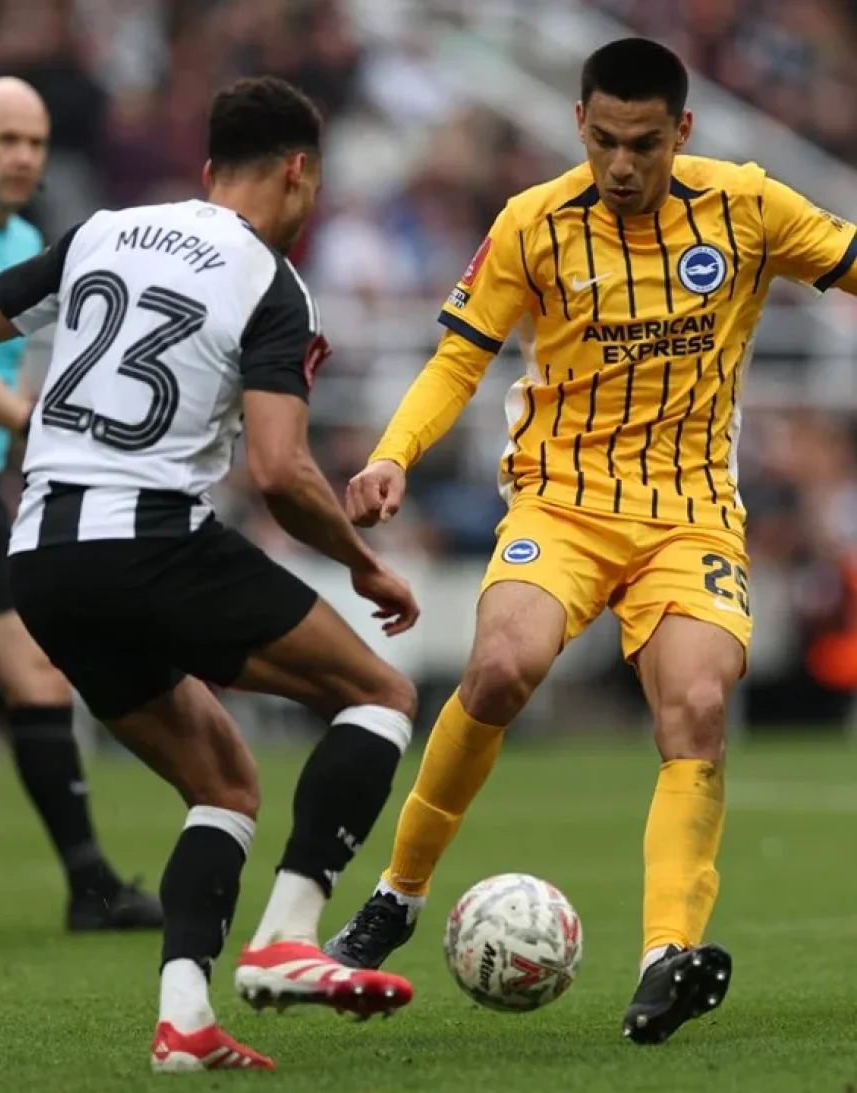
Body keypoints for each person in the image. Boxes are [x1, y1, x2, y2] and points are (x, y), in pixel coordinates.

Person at [324, 36, 857, 1045]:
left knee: (696, 705)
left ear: (681, 132)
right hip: (561, 504)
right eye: (605, 140)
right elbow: (456, 359)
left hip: (691, 510)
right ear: (578, 124)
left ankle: (665, 958)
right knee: (496, 670)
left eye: (645, 144)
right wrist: (393, 453)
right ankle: (397, 894)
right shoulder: (533, 222)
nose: (622, 164)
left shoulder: (745, 205)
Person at [0, 75, 421, 1073]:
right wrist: (365, 565)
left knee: (224, 780)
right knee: (378, 693)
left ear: (209, 170)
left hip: (39, 557)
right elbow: (280, 471)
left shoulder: (100, 231)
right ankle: (290, 937)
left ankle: (184, 1022)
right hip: (150, 543)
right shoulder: (271, 282)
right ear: (299, 173)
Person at [0, 76, 161, 931]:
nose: (22, 157)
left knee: (37, 681)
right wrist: (32, 419)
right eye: (6, 139)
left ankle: (88, 887)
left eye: (35, 143)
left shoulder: (32, 237)